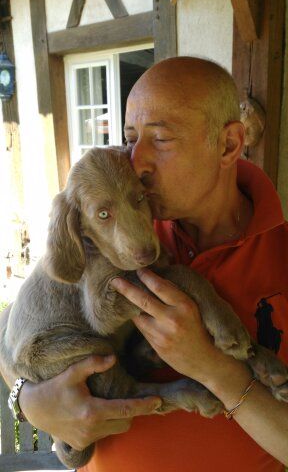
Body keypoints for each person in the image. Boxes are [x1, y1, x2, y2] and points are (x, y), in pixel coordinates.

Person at [1, 56, 288, 472]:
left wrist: (214, 369)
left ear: (228, 144)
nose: (136, 161)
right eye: (131, 137)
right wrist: (27, 401)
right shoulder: (118, 235)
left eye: (161, 139)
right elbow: (18, 328)